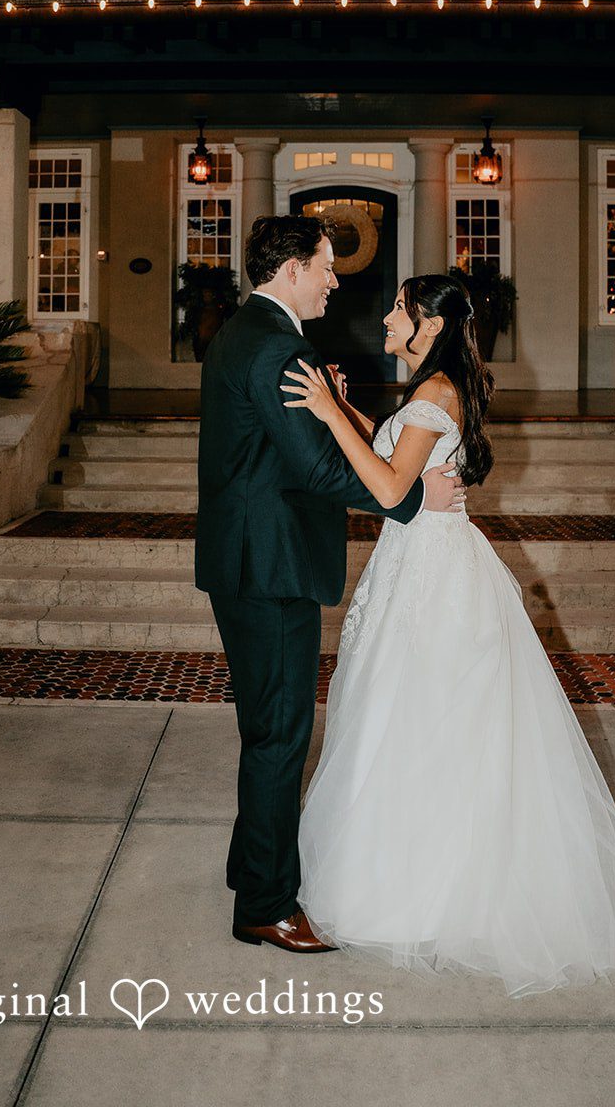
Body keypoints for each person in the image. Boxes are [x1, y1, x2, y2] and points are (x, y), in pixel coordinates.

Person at [282, 272, 615, 996]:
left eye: (399, 309)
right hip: (422, 561)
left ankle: (425, 888)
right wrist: (346, 410)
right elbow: (404, 460)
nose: (387, 317)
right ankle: (412, 871)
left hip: (431, 574)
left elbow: (390, 489)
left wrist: (329, 418)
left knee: (420, 720)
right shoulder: (430, 392)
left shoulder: (433, 395)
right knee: (412, 719)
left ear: (428, 325)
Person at [194, 217, 466, 956]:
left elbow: (288, 451)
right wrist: (412, 501)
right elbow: (314, 469)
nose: (334, 281)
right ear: (289, 269)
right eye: (324, 266)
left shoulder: (241, 332)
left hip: (246, 558)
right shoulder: (279, 345)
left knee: (266, 728)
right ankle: (266, 906)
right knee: (280, 734)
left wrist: (338, 411)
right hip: (269, 565)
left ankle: (251, 868)